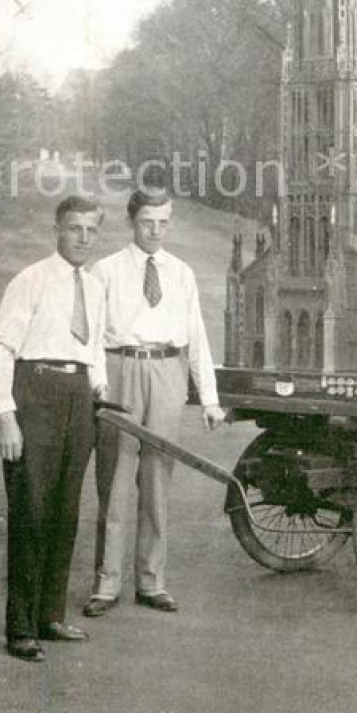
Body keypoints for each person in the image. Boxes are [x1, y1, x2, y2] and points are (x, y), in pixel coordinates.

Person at [84, 188, 226, 617]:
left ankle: (151, 581)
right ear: (132, 221)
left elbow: (196, 337)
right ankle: (107, 584)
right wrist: (97, 381)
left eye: (164, 221)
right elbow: (90, 334)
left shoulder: (181, 272)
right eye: (148, 221)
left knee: (157, 481)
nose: (156, 230)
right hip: (120, 370)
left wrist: (209, 400)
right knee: (114, 479)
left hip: (168, 372)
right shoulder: (105, 271)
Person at [0, 196, 107, 662]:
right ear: (57, 229)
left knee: (65, 512)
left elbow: (93, 353)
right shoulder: (29, 281)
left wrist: (99, 391)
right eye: (75, 229)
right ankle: (20, 629)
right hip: (34, 394)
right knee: (30, 513)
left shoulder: (94, 289)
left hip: (78, 400)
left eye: (92, 230)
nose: (83, 238)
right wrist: (6, 415)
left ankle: (50, 617)